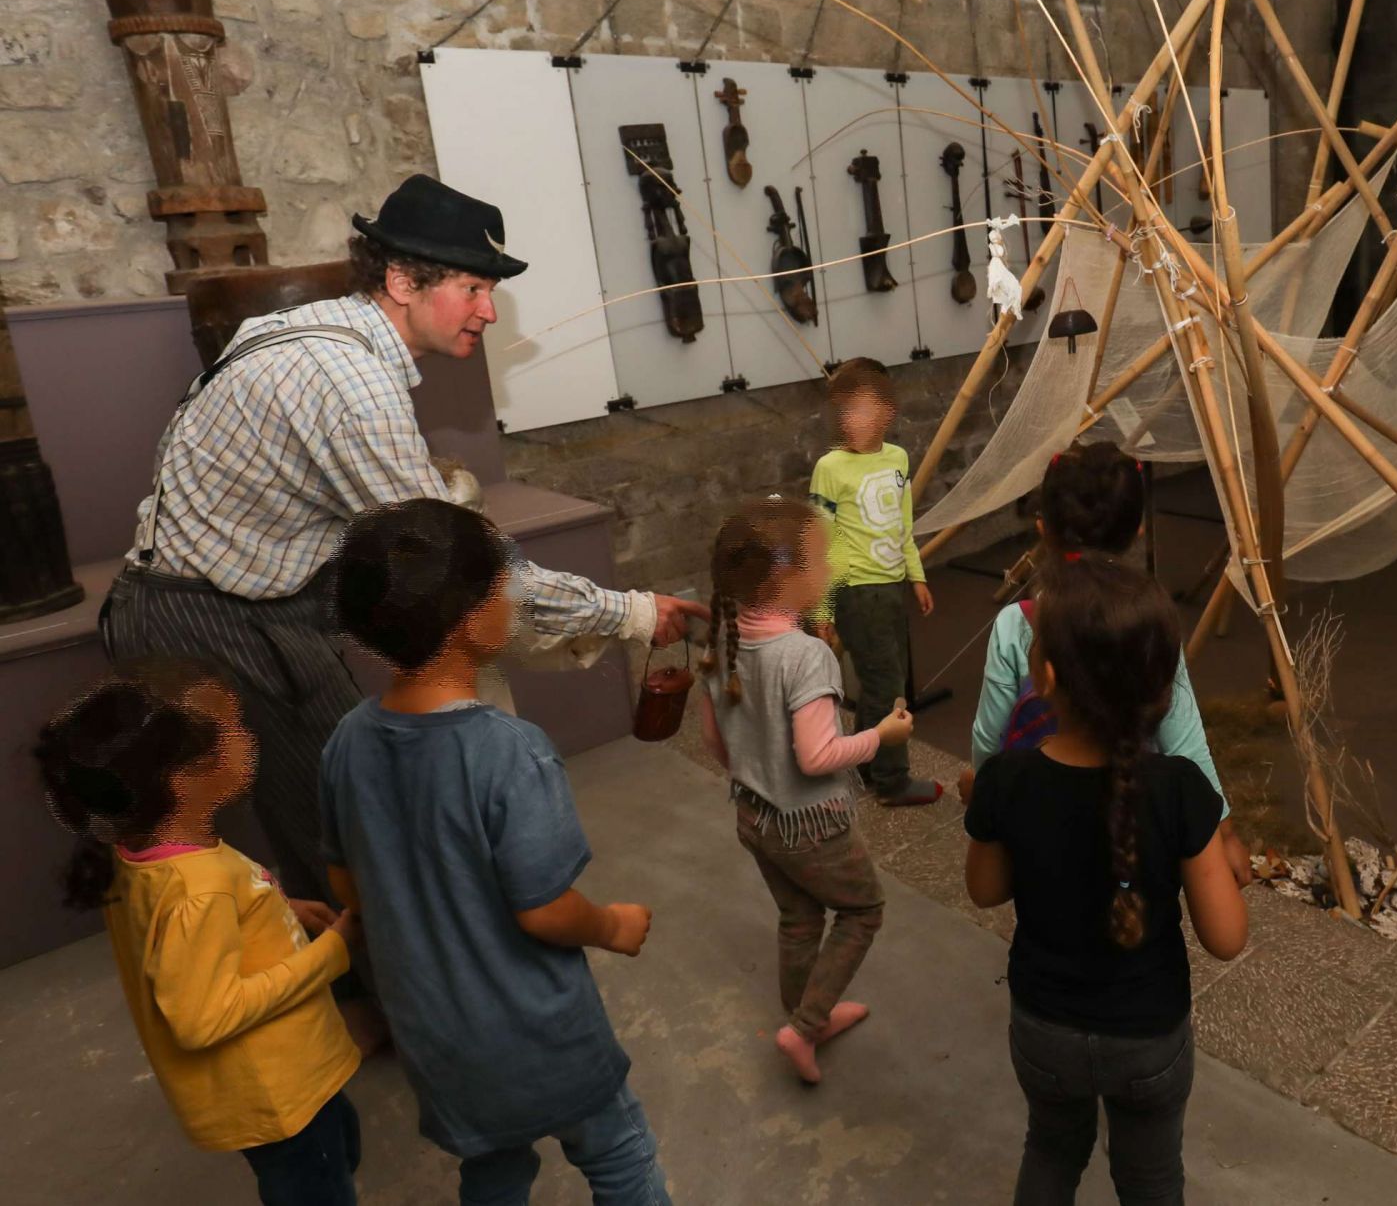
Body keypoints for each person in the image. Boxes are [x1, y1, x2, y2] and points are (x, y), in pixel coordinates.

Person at [99, 173, 705, 910]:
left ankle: (371, 958)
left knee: (343, 816)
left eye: (491, 290)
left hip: (243, 602)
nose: (489, 310)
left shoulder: (310, 329)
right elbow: (462, 571)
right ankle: (388, 973)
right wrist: (631, 612)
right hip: (205, 616)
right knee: (341, 831)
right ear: (401, 281)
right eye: (473, 288)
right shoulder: (353, 384)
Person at [321, 499, 670, 1205]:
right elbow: (544, 909)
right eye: (504, 582)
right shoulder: (510, 750)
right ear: (473, 619)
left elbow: (346, 884)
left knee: (494, 1170)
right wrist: (612, 924)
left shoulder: (347, 740)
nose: (515, 593)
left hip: (435, 1039)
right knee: (619, 1152)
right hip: (538, 1036)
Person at [965, 554, 1248, 1205]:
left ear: (1045, 675)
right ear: (1162, 687)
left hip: (1044, 1029)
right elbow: (1227, 936)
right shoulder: (1180, 790)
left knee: (1050, 1149)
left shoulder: (1004, 780)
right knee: (1151, 1179)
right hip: (1149, 1037)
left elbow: (985, 889)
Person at [35, 662, 363, 1204]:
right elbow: (202, 1017)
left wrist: (278, 906)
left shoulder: (148, 853)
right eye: (234, 728)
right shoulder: (199, 889)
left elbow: (191, 925)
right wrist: (332, 949)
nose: (248, 737)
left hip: (288, 1078)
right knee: (318, 1183)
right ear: (183, 776)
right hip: (279, 1091)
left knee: (338, 1149)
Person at [966, 442, 1250, 885]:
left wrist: (988, 798)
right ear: (1138, 528)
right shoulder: (1148, 618)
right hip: (1133, 823)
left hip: (1041, 825)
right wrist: (1224, 831)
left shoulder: (1015, 625)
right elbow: (1184, 738)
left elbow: (989, 737)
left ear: (1043, 528)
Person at [699, 495, 911, 1084]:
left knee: (798, 917)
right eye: (821, 559)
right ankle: (805, 1025)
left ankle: (802, 1020)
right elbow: (817, 757)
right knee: (863, 910)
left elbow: (716, 743)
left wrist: (758, 767)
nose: (831, 569)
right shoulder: (805, 656)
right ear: (787, 578)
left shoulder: (722, 640)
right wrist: (882, 735)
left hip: (753, 816)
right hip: (810, 827)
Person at [810, 356, 940, 805]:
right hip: (855, 592)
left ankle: (865, 763)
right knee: (888, 687)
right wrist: (822, 610)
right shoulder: (830, 468)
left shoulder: (898, 458)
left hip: (890, 589)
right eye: (845, 410)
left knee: (881, 679)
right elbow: (821, 542)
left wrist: (916, 577)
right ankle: (892, 779)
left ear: (888, 411)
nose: (852, 420)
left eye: (863, 409)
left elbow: (903, 525)